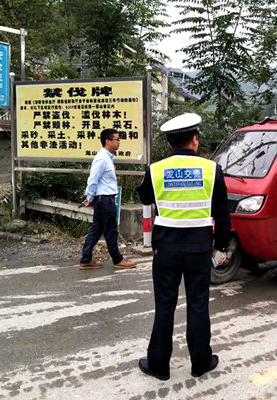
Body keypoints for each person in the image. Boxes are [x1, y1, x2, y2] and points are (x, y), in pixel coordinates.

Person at [136, 113, 231, 380]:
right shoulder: (211, 170)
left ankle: (158, 365)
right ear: (195, 140)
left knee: (164, 306)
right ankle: (200, 362)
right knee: (198, 305)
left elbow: (144, 195)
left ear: (169, 144)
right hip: (200, 249)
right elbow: (223, 213)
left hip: (166, 249)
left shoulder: (155, 170)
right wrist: (221, 247)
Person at [78, 128, 137, 270]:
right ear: (108, 141)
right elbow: (93, 179)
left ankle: (86, 259)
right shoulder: (101, 158)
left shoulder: (108, 157)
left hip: (104, 198)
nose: (119, 143)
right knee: (110, 230)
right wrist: (89, 197)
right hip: (104, 199)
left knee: (97, 229)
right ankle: (118, 260)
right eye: (117, 140)